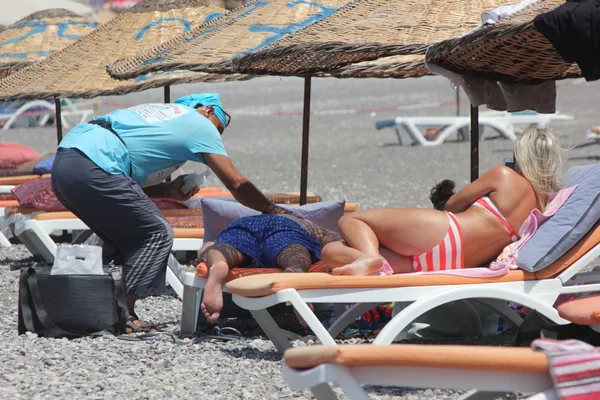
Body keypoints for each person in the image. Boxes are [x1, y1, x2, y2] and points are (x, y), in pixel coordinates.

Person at [51, 93, 299, 332]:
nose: (216, 137)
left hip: (65, 165)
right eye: (218, 128)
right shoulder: (199, 124)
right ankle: (121, 315)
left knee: (124, 236)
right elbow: (236, 182)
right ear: (208, 111)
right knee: (156, 233)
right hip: (96, 163)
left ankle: (89, 307)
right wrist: (272, 209)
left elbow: (124, 190)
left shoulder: (165, 114)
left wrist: (169, 189)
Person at [322, 127, 563, 276]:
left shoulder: (504, 175)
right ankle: (369, 260)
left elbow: (451, 206)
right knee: (331, 252)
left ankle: (369, 258)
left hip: (446, 230)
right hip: (454, 261)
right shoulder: (542, 207)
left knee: (352, 220)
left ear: (521, 156)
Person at [198, 214, 342, 323]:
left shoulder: (250, 217)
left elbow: (208, 243)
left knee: (225, 247)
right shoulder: (305, 224)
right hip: (284, 227)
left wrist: (205, 253)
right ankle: (295, 272)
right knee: (294, 252)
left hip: (242, 226)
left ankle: (219, 262)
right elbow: (335, 239)